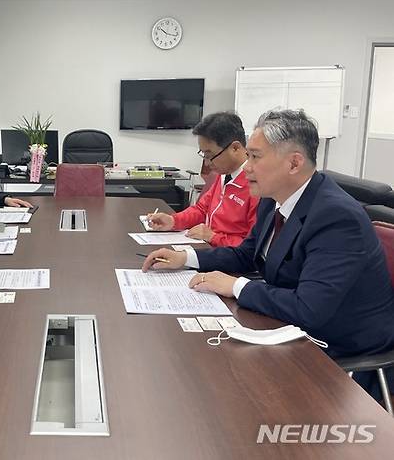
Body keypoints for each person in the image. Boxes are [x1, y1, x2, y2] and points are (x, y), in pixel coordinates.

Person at [142, 109, 394, 360]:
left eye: (255, 157)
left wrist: (236, 285)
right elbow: (246, 254)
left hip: (337, 349)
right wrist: (185, 258)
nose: (247, 168)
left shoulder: (338, 217)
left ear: (294, 163)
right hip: (286, 327)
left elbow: (309, 309)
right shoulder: (271, 198)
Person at [148, 112, 258, 247]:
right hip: (209, 249)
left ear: (235, 148)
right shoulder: (224, 174)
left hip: (230, 260)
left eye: (209, 155)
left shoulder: (256, 186)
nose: (207, 163)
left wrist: (213, 237)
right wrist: (173, 221)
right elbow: (201, 209)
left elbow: (253, 247)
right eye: (203, 155)